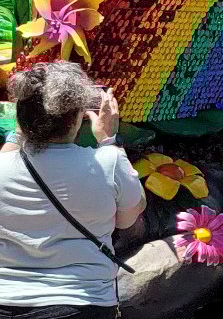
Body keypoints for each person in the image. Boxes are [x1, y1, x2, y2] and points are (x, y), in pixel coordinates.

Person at [0, 63, 145, 317]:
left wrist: (19, 132)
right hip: (82, 302)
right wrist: (109, 139)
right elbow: (128, 218)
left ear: (20, 118)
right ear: (77, 118)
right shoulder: (109, 163)